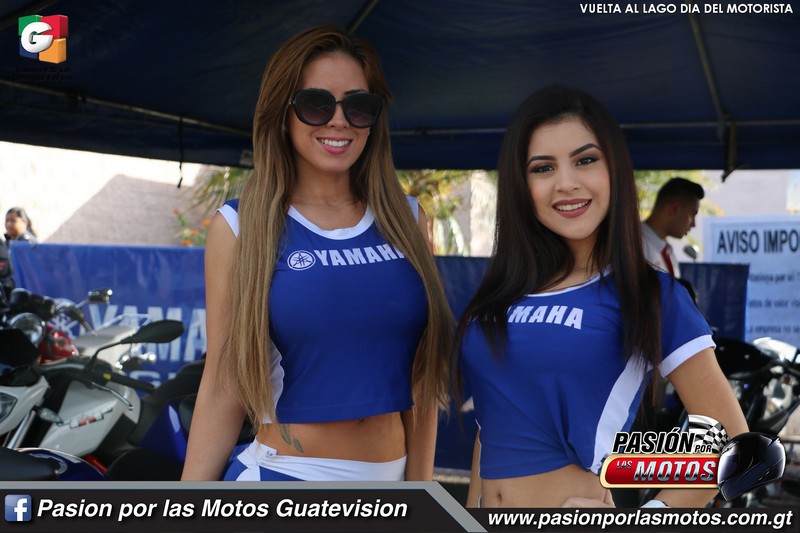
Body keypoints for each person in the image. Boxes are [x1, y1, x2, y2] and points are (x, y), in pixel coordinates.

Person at [182, 25, 452, 482]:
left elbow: (423, 376)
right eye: (316, 104)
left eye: (358, 106)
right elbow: (223, 386)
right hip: (287, 477)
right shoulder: (242, 226)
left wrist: (422, 489)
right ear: (282, 113)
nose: (339, 121)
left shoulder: (408, 220)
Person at [455, 85, 747, 508]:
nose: (566, 183)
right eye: (543, 167)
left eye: (585, 160)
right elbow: (491, 423)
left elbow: (731, 445)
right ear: (521, 184)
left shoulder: (651, 294)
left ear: (614, 170)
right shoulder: (504, 290)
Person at [642, 177, 704, 278]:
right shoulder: (635, 246)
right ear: (674, 209)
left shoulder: (667, 251)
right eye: (692, 214)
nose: (693, 224)